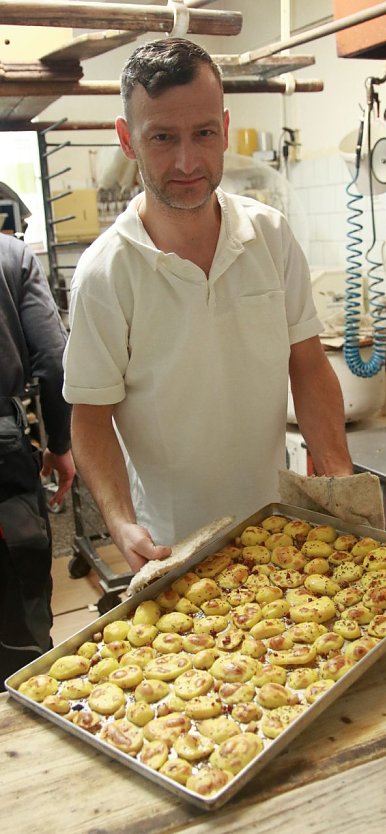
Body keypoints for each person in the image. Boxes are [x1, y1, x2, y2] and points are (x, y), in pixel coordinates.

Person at [63, 38, 353, 575]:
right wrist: (121, 520)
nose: (187, 161)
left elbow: (308, 365)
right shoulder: (107, 273)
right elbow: (91, 416)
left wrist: (337, 476)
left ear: (223, 126)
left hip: (280, 528)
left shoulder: (269, 236)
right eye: (162, 138)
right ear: (127, 139)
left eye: (203, 134)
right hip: (175, 549)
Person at [0, 230, 75, 688]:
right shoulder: (10, 254)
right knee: (19, 612)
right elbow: (54, 359)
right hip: (3, 457)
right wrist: (62, 445)